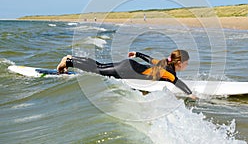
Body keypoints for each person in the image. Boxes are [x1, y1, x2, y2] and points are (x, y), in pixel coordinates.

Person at [57, 50, 197, 99]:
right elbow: (178, 82)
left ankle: (72, 58)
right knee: (97, 70)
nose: (187, 66)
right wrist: (190, 94)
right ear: (179, 63)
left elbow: (149, 59)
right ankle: (68, 62)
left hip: (129, 65)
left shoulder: (163, 63)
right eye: (187, 63)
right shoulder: (169, 73)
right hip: (126, 70)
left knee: (99, 66)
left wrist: (136, 54)